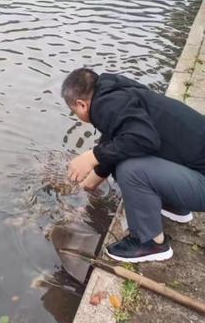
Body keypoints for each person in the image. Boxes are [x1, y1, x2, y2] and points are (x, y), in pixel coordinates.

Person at [61, 68, 205, 263]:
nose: (76, 115)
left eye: (73, 111)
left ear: (81, 105)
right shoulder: (115, 91)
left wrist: (92, 155)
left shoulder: (104, 106)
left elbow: (143, 139)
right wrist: (93, 179)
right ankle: (174, 204)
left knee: (129, 168)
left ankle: (149, 242)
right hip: (196, 169)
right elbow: (117, 136)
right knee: (124, 150)